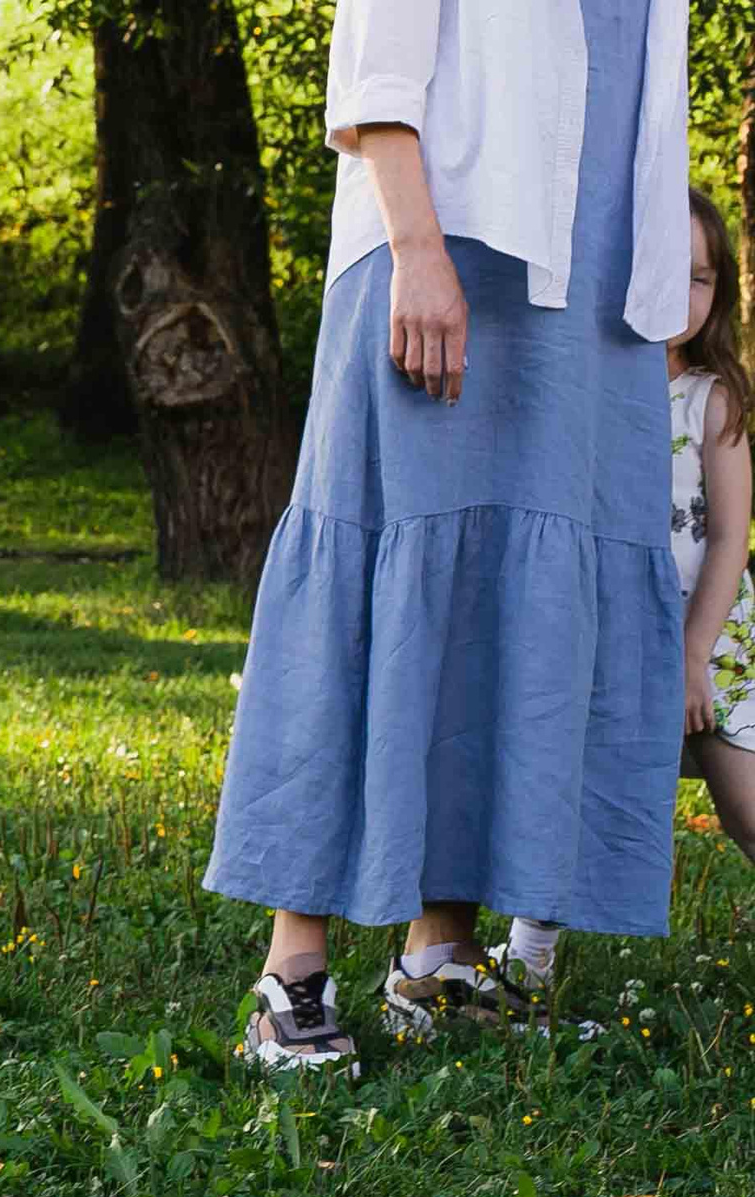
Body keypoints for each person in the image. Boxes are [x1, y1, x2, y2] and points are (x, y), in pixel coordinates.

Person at [203, 0, 691, 1074]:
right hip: (444, 243)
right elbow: (377, 65)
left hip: (599, 290)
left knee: (507, 599)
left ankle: (442, 955)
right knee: (379, 561)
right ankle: (292, 971)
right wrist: (416, 252)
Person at [500, 192, 755, 988]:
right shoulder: (589, 384)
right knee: (565, 789)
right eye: (668, 271)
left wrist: (692, 656)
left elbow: (729, 539)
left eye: (702, 278)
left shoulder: (711, 396)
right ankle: (527, 960)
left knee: (748, 808)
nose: (684, 293)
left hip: (708, 640)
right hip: (603, 636)